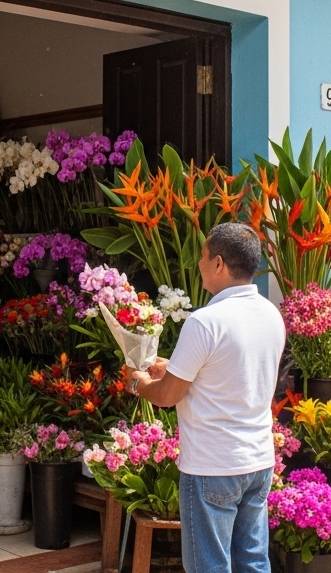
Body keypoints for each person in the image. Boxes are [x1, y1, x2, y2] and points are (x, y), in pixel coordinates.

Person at [128, 223, 286, 573]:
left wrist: (139, 383)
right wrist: (173, 367)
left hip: (213, 466)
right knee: (253, 562)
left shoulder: (205, 321)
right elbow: (231, 371)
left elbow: (167, 395)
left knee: (209, 567)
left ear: (218, 263)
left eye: (202, 255)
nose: (198, 263)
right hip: (257, 462)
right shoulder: (271, 314)